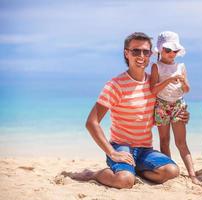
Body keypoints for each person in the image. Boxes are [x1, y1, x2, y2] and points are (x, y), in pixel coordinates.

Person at [65, 32, 191, 189]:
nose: (141, 55)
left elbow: (164, 110)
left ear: (151, 54)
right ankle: (94, 174)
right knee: (124, 181)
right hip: (121, 146)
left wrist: (181, 115)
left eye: (146, 51)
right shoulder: (115, 85)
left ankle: (136, 169)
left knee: (172, 171)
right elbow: (92, 122)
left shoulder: (155, 84)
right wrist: (112, 152)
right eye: (135, 51)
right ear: (126, 53)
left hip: (145, 149)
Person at [150, 31, 199, 184]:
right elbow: (153, 90)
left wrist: (183, 83)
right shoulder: (156, 66)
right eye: (168, 50)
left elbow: (187, 89)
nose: (172, 53)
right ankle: (170, 170)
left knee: (181, 142)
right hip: (161, 105)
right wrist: (169, 79)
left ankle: (192, 174)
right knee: (164, 140)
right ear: (160, 50)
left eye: (175, 50)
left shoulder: (181, 66)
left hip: (178, 104)